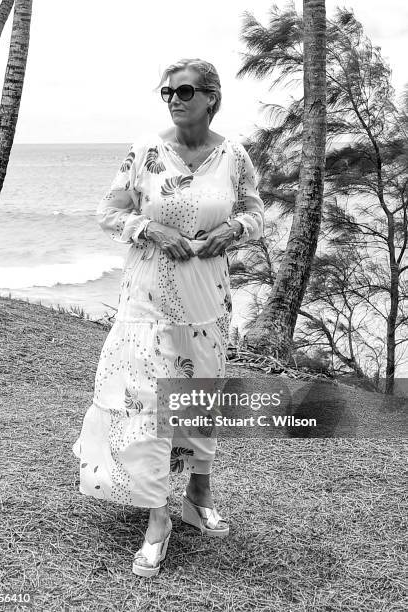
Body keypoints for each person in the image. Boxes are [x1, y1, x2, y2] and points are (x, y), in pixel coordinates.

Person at [72, 58, 265, 577]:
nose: (174, 100)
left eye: (184, 91)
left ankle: (197, 496)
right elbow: (107, 211)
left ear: (210, 99)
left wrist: (235, 231)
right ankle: (158, 518)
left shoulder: (234, 156)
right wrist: (149, 230)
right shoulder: (146, 152)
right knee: (149, 405)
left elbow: (256, 210)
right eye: (167, 92)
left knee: (200, 398)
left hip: (209, 300)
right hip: (148, 302)